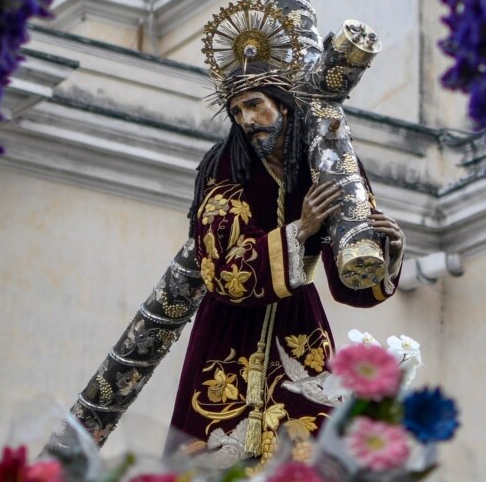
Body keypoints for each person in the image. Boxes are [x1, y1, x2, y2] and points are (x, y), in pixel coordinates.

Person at [166, 57, 405, 467]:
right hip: (228, 331)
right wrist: (301, 230)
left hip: (299, 327)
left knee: (312, 455)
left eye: (255, 104)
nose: (247, 119)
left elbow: (353, 279)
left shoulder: (327, 159)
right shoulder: (224, 167)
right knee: (212, 460)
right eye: (237, 111)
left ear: (284, 103)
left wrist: (389, 249)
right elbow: (221, 266)